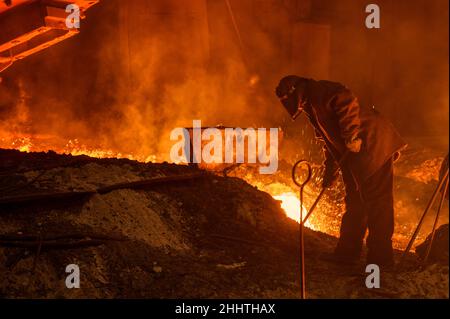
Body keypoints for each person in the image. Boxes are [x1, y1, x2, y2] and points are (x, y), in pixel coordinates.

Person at [275, 75, 407, 268]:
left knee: (378, 202)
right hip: (356, 156)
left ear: (296, 91)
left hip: (373, 144)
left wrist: (351, 135)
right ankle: (347, 252)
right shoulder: (311, 106)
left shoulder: (319, 91)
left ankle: (381, 259)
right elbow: (330, 142)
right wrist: (331, 171)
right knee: (355, 202)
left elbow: (345, 98)